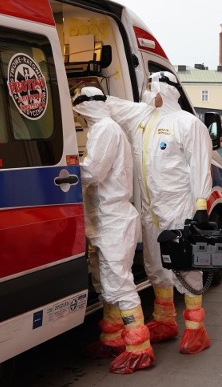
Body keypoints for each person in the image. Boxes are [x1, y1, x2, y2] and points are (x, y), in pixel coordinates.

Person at [106, 71, 213, 355]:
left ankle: (195, 329)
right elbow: (114, 106)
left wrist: (201, 206)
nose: (145, 92)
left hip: (179, 209)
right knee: (155, 263)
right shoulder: (143, 119)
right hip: (151, 210)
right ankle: (165, 320)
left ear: (164, 90)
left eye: (150, 87)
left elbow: (200, 165)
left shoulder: (187, 124)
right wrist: (89, 97)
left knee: (186, 265)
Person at [72, 87, 154, 374]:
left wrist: (65, 171)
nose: (78, 118)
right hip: (106, 220)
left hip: (114, 219)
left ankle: (138, 347)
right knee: (105, 280)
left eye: (78, 112)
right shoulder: (102, 129)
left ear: (86, 109)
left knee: (119, 283)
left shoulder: (106, 129)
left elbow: (94, 172)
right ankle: (113, 337)